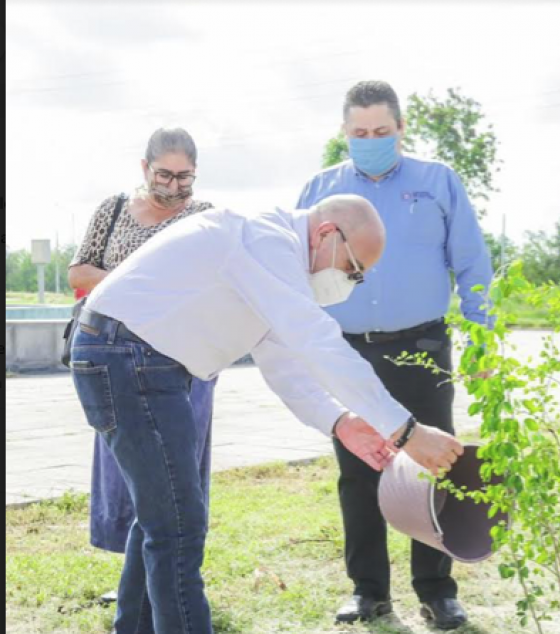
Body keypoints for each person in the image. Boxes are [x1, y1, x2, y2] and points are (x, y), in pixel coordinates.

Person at [72, 194, 464, 634]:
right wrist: (407, 432)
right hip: (128, 356)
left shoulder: (274, 263)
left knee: (162, 519)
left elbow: (286, 363)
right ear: (326, 233)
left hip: (138, 359)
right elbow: (317, 341)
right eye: (353, 269)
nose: (350, 283)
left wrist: (340, 421)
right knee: (177, 526)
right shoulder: (263, 236)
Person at [295, 80, 493, 629]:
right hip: (348, 353)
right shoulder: (319, 188)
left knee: (434, 464)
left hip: (421, 349)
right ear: (344, 132)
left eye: (382, 131)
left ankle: (436, 589)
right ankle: (368, 593)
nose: (371, 140)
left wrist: (482, 334)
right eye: (360, 133)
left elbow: (473, 264)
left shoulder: (438, 182)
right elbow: (295, 267)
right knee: (358, 469)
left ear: (402, 128)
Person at [68, 128, 218, 603]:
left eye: (185, 177)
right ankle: (134, 587)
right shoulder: (113, 210)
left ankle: (170, 578)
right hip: (114, 363)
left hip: (181, 365)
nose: (174, 187)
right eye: (165, 175)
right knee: (129, 472)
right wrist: (134, 284)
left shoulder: (204, 218)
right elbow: (79, 272)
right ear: (144, 168)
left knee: (175, 477)